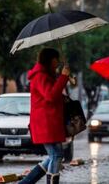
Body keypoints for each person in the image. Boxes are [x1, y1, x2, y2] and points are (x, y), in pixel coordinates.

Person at [19, 48, 70, 184]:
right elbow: (50, 96)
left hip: (50, 121)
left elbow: (52, 94)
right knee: (56, 154)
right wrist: (63, 77)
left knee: (53, 155)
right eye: (56, 59)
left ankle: (25, 182)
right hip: (45, 122)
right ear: (50, 60)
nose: (58, 62)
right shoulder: (40, 76)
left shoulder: (46, 75)